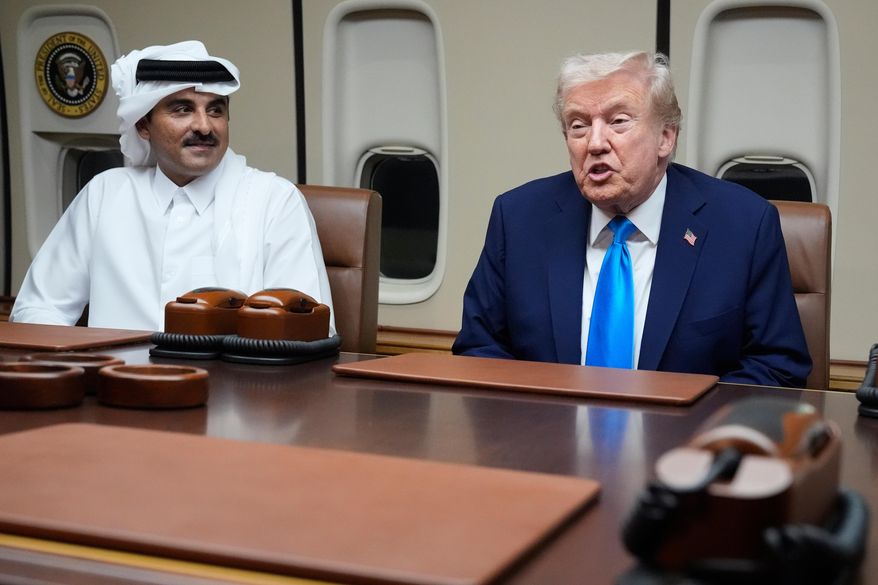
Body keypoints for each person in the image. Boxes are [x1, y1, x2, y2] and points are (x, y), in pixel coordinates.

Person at [452, 51, 810, 387]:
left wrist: (687, 436)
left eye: (618, 122)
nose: (594, 143)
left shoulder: (743, 224)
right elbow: (478, 349)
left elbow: (777, 365)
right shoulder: (518, 219)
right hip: (543, 442)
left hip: (684, 444)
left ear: (665, 138)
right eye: (577, 126)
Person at [11, 41, 335, 334]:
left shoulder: (274, 201)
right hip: (117, 388)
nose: (204, 126)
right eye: (182, 109)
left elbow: (307, 330)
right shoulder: (105, 195)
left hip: (236, 396)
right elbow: (38, 309)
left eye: (215, 110)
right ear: (143, 125)